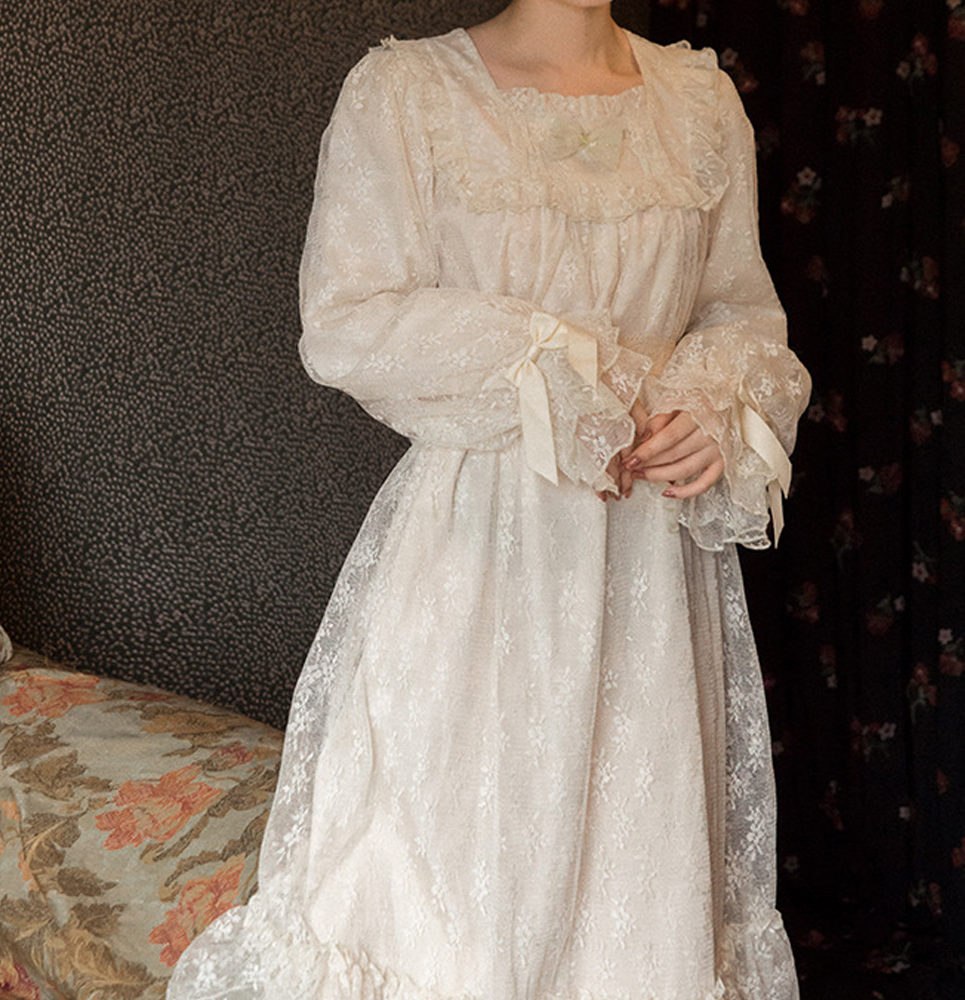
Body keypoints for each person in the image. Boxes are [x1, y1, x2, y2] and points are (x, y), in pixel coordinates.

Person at [167, 1, 812, 997]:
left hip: (646, 572)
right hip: (479, 558)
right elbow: (346, 320)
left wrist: (713, 404)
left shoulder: (698, 101)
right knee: (446, 896)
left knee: (631, 900)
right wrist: (557, 368)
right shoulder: (408, 94)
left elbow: (742, 313)